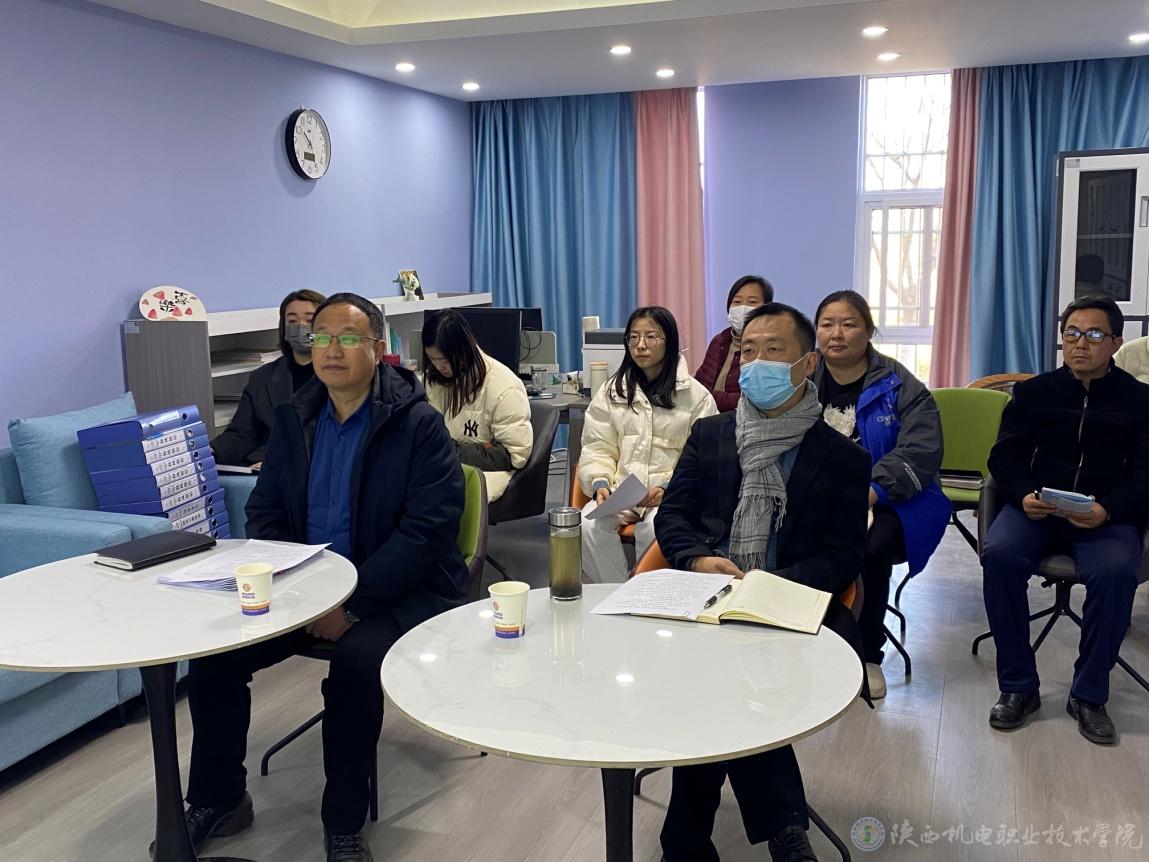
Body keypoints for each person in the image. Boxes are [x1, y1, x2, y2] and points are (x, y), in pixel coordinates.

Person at [176, 293, 468, 862]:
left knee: (356, 666)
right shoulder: (295, 417)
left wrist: (352, 605)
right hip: (304, 591)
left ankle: (343, 823)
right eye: (322, 337)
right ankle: (219, 798)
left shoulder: (418, 424)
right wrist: (295, 589)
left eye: (348, 338)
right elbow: (264, 511)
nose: (332, 349)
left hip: (395, 591)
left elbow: (427, 532)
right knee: (214, 659)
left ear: (378, 349)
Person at [655, 302, 871, 862]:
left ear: (806, 363)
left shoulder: (843, 458)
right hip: (704, 595)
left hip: (791, 601)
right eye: (747, 351)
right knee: (726, 680)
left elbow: (843, 555)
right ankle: (783, 828)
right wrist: (698, 561)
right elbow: (672, 517)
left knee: (724, 682)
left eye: (773, 350)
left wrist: (770, 583)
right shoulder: (711, 435)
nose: (756, 363)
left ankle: (684, 841)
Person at [982, 294, 1149, 746]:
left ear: (1115, 342)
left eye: (1094, 334)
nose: (1080, 343)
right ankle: (1018, 687)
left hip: (1106, 514)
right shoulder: (1034, 393)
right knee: (1000, 554)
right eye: (1071, 333)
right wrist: (1023, 494)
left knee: (1115, 573)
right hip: (1039, 509)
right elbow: (1005, 457)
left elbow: (1145, 474)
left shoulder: (1139, 400)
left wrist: (1108, 509)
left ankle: (1089, 695)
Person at [811, 290, 949, 699]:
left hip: (895, 499)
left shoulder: (900, 384)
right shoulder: (803, 378)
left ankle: (867, 653)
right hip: (818, 495)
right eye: (827, 324)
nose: (836, 334)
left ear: (869, 331)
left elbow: (920, 452)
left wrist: (872, 490)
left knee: (870, 547)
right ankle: (811, 639)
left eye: (848, 324)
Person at [578, 306, 717, 583]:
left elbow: (703, 460)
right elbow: (597, 447)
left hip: (670, 495)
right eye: (633, 337)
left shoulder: (696, 397)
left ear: (669, 341)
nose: (640, 345)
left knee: (656, 528)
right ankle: (616, 591)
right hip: (622, 491)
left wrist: (668, 487)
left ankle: (647, 593)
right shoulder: (612, 391)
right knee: (588, 523)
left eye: (651, 337)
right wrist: (599, 482)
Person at [421, 309, 533, 502]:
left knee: (437, 496)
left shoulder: (503, 387)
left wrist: (452, 450)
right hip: (443, 464)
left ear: (463, 350)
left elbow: (513, 455)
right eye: (432, 359)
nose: (439, 367)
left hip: (487, 472)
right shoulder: (433, 380)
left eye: (445, 360)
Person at [211, 289, 325, 467]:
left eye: (309, 321)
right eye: (292, 321)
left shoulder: (337, 376)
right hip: (260, 465)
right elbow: (243, 432)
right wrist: (212, 452)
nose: (300, 327)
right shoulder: (262, 377)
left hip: (313, 466)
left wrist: (278, 464)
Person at [694, 274, 775, 411]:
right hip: (705, 415)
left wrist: (707, 398)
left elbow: (752, 401)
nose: (742, 308)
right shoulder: (719, 340)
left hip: (740, 420)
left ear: (766, 308)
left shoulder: (770, 349)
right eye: (737, 302)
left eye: (752, 302)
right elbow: (699, 383)